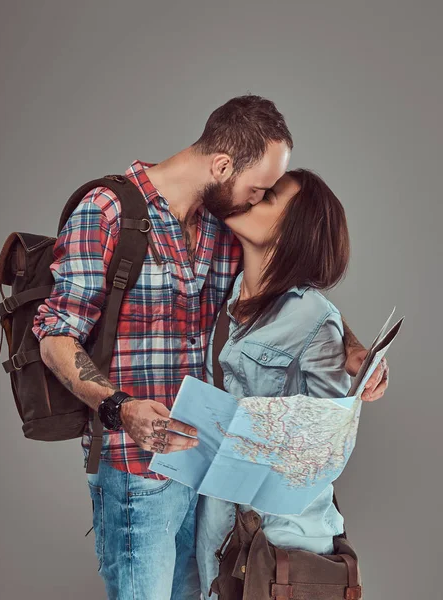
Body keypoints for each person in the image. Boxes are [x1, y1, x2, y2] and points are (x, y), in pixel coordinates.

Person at [32, 96, 389, 600]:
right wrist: (120, 408)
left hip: (201, 475)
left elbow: (293, 284)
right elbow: (55, 335)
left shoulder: (221, 224)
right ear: (223, 166)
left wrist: (352, 349)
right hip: (136, 466)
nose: (255, 199)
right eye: (259, 187)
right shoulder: (107, 211)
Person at [196, 168, 378, 599]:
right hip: (221, 534)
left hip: (283, 540)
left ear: (292, 230)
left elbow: (325, 447)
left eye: (269, 198)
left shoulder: (313, 317)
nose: (254, 197)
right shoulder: (229, 299)